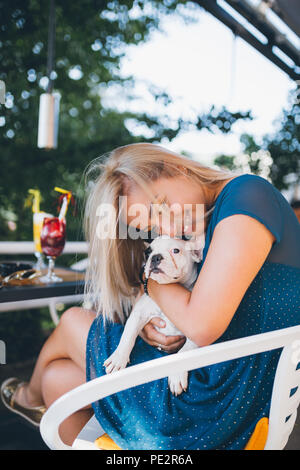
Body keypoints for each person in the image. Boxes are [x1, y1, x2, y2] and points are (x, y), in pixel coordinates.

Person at [1, 143, 300, 449]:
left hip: (221, 405)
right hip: (221, 385)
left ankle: (27, 397)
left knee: (72, 320)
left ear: (178, 168)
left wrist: (151, 283)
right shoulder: (225, 211)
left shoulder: (248, 194)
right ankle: (37, 398)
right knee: (58, 378)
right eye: (152, 226)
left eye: (161, 205)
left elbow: (201, 325)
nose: (167, 227)